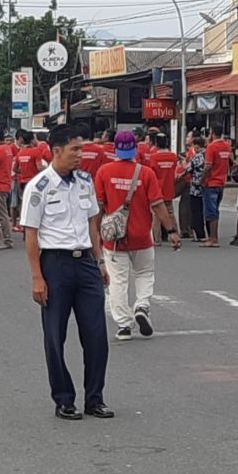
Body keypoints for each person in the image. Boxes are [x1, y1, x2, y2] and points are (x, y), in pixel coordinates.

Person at [23, 124, 113, 421]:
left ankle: (95, 398)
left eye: (82, 148)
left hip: (85, 262)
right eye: (75, 149)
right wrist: (37, 277)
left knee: (97, 334)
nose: (81, 155)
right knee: (54, 336)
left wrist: (100, 262)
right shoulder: (38, 187)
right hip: (55, 266)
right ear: (56, 151)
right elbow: (31, 235)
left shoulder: (85, 182)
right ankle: (64, 399)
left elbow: (92, 225)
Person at [94, 130, 182, 341]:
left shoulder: (104, 172)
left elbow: (97, 208)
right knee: (144, 274)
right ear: (135, 147)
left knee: (118, 282)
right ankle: (142, 305)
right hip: (142, 237)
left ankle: (124, 325)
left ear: (115, 148)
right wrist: (171, 231)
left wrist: (96, 235)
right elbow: (159, 206)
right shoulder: (146, 173)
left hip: (114, 240)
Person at [201, 125, 232, 247]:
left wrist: (202, 179)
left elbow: (208, 166)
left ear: (212, 133)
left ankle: (213, 239)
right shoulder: (226, 146)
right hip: (221, 182)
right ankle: (212, 237)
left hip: (211, 182)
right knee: (215, 210)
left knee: (211, 212)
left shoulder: (211, 147)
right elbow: (230, 161)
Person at [147, 132, 180, 245]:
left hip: (157, 188)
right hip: (169, 187)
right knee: (170, 212)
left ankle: (157, 239)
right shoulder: (173, 156)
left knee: (156, 214)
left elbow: (151, 173)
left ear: (156, 143)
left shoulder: (153, 157)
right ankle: (176, 234)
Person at [184, 135, 208, 243]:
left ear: (197, 147)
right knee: (204, 211)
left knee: (196, 211)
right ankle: (207, 233)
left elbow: (188, 168)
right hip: (206, 186)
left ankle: (199, 234)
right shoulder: (208, 155)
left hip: (195, 187)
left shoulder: (197, 156)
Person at [175, 131, 194, 238]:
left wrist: (183, 164)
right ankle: (186, 229)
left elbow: (189, 166)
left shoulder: (193, 151)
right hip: (186, 179)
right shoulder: (190, 151)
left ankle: (186, 229)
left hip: (186, 179)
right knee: (185, 205)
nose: (186, 138)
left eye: (188, 136)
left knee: (186, 205)